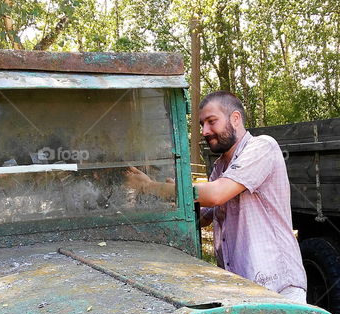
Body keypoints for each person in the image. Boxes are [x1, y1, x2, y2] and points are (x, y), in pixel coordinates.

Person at [126, 90, 307, 303]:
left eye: (212, 122)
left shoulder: (263, 146)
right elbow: (203, 215)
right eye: (202, 124)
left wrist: (151, 187)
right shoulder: (220, 165)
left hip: (277, 288)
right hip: (243, 289)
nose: (204, 131)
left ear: (235, 118)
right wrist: (168, 195)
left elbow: (216, 195)